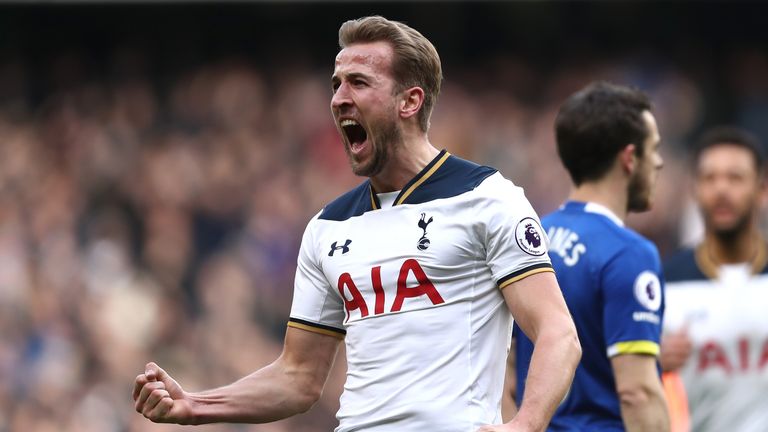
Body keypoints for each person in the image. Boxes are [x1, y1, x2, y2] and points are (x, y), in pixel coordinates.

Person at [133, 16, 580, 432]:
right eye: (336, 83)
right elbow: (298, 377)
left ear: (410, 101)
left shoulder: (487, 199)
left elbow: (558, 334)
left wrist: (525, 424)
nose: (338, 98)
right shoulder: (327, 228)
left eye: (359, 82)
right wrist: (193, 406)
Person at [508, 82, 670, 431]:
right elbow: (637, 392)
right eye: (653, 149)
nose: (659, 162)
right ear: (629, 158)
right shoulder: (629, 254)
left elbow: (508, 375)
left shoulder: (528, 241)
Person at [661, 126, 768, 432]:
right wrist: (653, 363)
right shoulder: (665, 283)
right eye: (710, 178)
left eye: (735, 177)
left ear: (761, 189)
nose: (721, 189)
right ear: (694, 189)